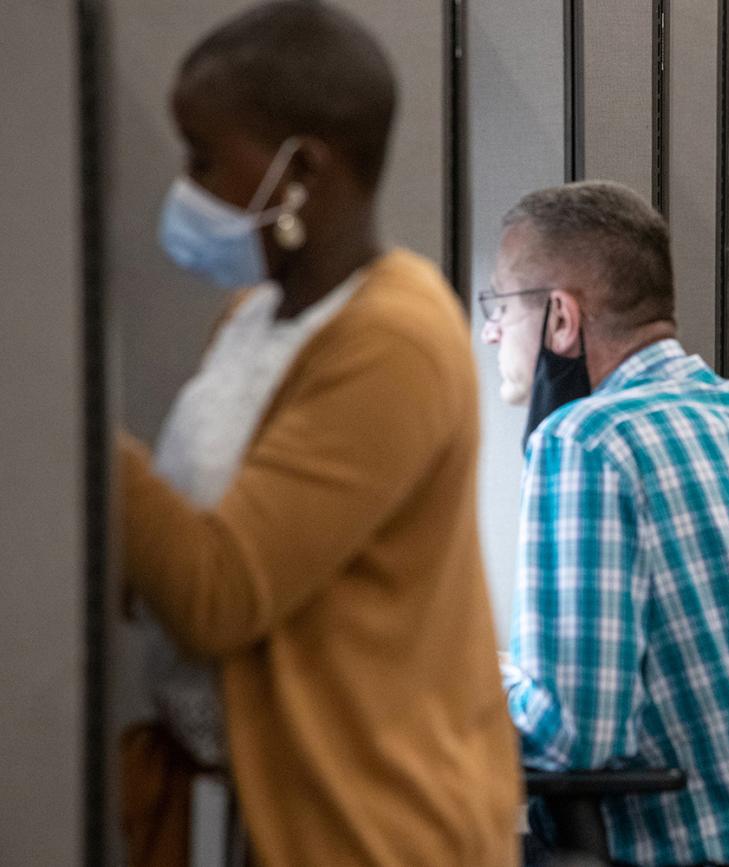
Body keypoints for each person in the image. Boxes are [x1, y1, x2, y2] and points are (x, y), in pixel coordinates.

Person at [115, 4, 519, 865]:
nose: (186, 186)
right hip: (252, 801)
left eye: (204, 158)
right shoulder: (254, 317)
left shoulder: (394, 339)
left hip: (370, 823)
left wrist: (71, 429)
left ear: (301, 171)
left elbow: (219, 592)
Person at [481, 181, 729, 866]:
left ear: (562, 318)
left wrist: (463, 674)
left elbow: (572, 735)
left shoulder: (584, 444)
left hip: (678, 845)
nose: (488, 329)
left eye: (499, 304)